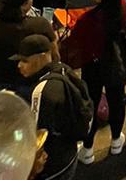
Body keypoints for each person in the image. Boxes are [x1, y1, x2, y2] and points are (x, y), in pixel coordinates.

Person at [67, 0, 126, 164]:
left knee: (90, 105)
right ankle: (116, 140)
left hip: (93, 67)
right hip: (116, 63)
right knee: (117, 101)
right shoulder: (123, 5)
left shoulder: (88, 20)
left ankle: (87, 149)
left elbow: (74, 45)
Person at [15, 33, 93, 180]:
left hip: (53, 166)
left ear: (41, 57)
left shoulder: (41, 92)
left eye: (24, 61)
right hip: (69, 154)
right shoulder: (64, 70)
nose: (19, 65)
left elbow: (37, 139)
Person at [0, 0, 57, 91]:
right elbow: (55, 55)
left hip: (1, 82)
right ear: (25, 4)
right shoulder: (40, 24)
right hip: (37, 83)